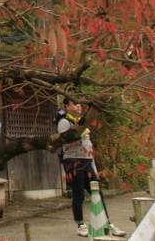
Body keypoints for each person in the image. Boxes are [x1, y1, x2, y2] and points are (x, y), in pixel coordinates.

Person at [57, 98, 127, 238]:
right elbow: (64, 142)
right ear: (67, 107)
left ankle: (107, 223)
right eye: (75, 104)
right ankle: (81, 225)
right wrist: (81, 132)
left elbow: (88, 145)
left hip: (87, 161)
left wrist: (93, 166)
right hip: (73, 161)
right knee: (79, 194)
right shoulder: (65, 122)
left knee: (97, 193)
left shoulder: (82, 120)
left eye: (79, 104)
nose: (78, 106)